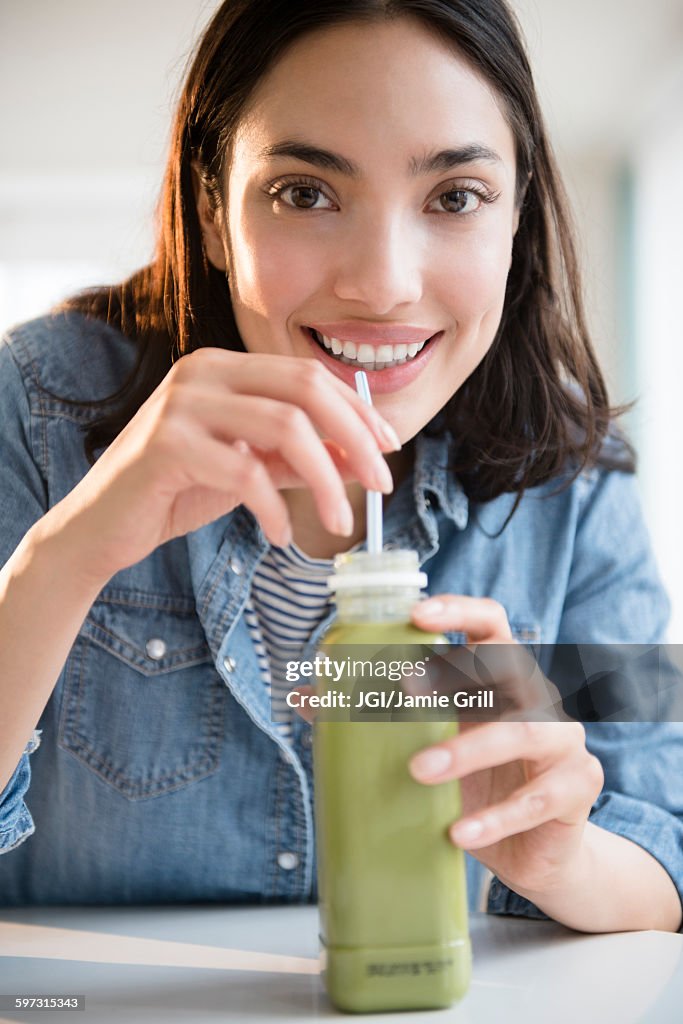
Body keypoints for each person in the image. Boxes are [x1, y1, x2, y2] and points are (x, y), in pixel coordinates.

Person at [0, 0, 681, 932]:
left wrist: (562, 856)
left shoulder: (576, 480)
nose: (382, 282)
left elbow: (663, 844)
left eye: (454, 197)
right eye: (304, 193)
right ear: (210, 214)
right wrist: (62, 559)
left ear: (515, 218)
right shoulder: (35, 407)